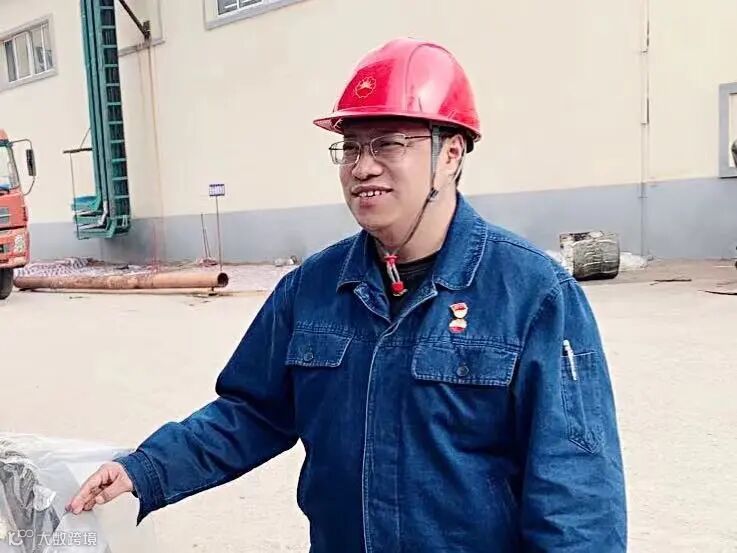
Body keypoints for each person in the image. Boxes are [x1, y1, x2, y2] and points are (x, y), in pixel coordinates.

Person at [67, 38, 627, 551]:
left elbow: (575, 492)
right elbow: (252, 411)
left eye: (388, 144)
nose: (362, 167)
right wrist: (147, 469)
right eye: (351, 147)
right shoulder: (313, 288)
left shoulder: (532, 294)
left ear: (451, 155)